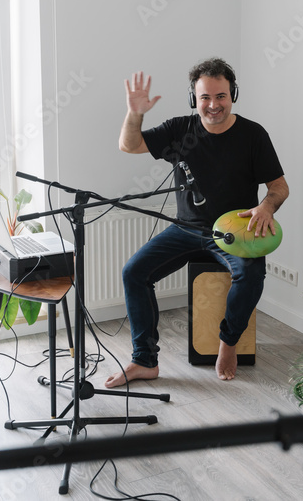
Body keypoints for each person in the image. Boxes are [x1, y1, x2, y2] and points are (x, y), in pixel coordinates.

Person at [106, 58, 288, 387]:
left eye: (220, 96)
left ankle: (228, 342)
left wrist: (266, 207)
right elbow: (128, 145)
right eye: (205, 97)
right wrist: (135, 113)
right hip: (186, 229)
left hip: (234, 233)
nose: (213, 105)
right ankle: (144, 360)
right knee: (134, 272)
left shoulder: (253, 135)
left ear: (233, 95)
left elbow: (279, 187)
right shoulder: (179, 130)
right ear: (194, 98)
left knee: (251, 275)